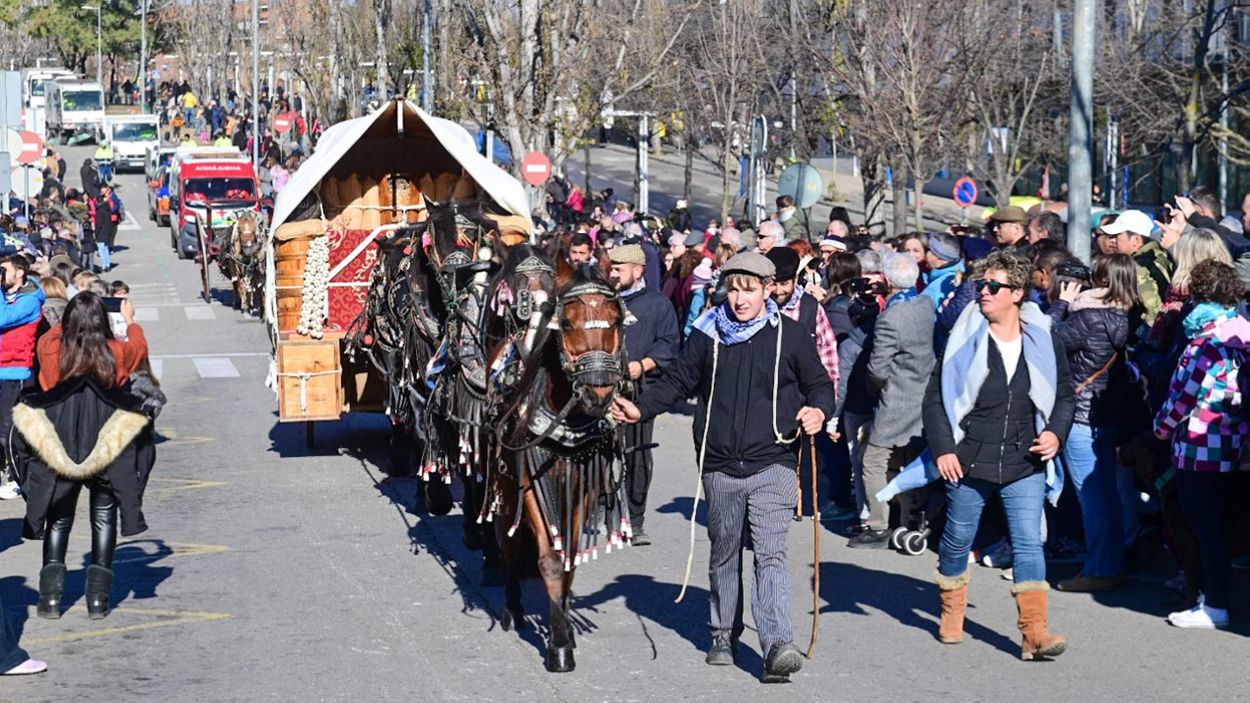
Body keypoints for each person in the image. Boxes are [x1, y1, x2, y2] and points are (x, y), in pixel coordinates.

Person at [611, 253, 833, 682]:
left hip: (775, 459)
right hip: (720, 463)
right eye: (733, 288)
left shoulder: (790, 335)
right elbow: (677, 381)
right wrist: (640, 410)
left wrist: (818, 411)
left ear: (769, 289)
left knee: (771, 553)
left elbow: (819, 384)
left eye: (749, 289)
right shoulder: (707, 334)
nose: (739, 298)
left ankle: (776, 646)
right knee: (725, 551)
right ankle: (722, 633)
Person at [921, 250, 1074, 658]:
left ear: (1018, 294)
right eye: (980, 286)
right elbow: (935, 399)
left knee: (1028, 543)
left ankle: (1034, 633)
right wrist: (943, 450)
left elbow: (1064, 396)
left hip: (1025, 459)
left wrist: (1056, 434)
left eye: (993, 287)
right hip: (969, 457)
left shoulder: (1043, 339)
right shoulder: (964, 339)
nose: (983, 293)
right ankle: (952, 614)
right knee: (956, 540)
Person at [16, 293, 152, 622]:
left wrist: (69, 317)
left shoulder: (52, 351)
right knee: (104, 518)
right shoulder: (116, 352)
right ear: (102, 322)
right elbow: (139, 351)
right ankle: (97, 602)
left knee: (59, 519)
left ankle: (50, 600)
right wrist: (130, 320)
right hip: (105, 446)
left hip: (60, 446)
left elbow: (47, 337)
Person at [1154, 260, 1250, 629]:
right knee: (1224, 531)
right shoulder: (1242, 335)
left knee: (1207, 533)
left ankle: (1214, 606)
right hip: (1238, 446)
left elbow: (1181, 400)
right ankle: (1217, 601)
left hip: (1201, 448)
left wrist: (1160, 429)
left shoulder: (1204, 344)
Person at [1050, 255, 1140, 593]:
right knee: (1108, 495)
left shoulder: (1086, 316)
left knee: (1093, 498)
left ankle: (1099, 569)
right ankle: (1112, 563)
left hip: (1082, 415)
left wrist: (1061, 303)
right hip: (1109, 414)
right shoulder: (1130, 317)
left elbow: (1047, 339)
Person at [848, 253, 934, 547]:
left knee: (872, 459)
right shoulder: (925, 304)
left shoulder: (890, 319)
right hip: (923, 397)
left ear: (886, 280)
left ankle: (878, 525)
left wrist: (878, 389)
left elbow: (877, 368)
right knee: (911, 461)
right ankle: (911, 518)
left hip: (896, 399)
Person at [609, 245, 679, 546]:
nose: (612, 273)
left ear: (637, 271)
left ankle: (634, 521)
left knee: (636, 454)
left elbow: (668, 344)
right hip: (599, 390)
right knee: (596, 451)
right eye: (610, 268)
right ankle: (601, 508)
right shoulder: (602, 299)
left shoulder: (657, 304)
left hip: (638, 392)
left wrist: (643, 365)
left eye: (618, 268)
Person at [0, 256, 46, 501]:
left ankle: (23, 484)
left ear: (20, 273)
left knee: (9, 435)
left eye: (3, 270)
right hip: (3, 371)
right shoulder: (7, 298)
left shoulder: (30, 301)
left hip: (15, 373)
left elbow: (2, 319)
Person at [1100, 209, 1173, 323]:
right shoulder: (1161, 255)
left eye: (1117, 236)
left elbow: (1152, 309)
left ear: (1136, 240)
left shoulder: (1138, 267)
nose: (1112, 241)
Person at [920, 232, 964, 313]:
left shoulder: (938, 287)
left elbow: (917, 314)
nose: (923, 254)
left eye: (926, 250)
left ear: (936, 255)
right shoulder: (960, 274)